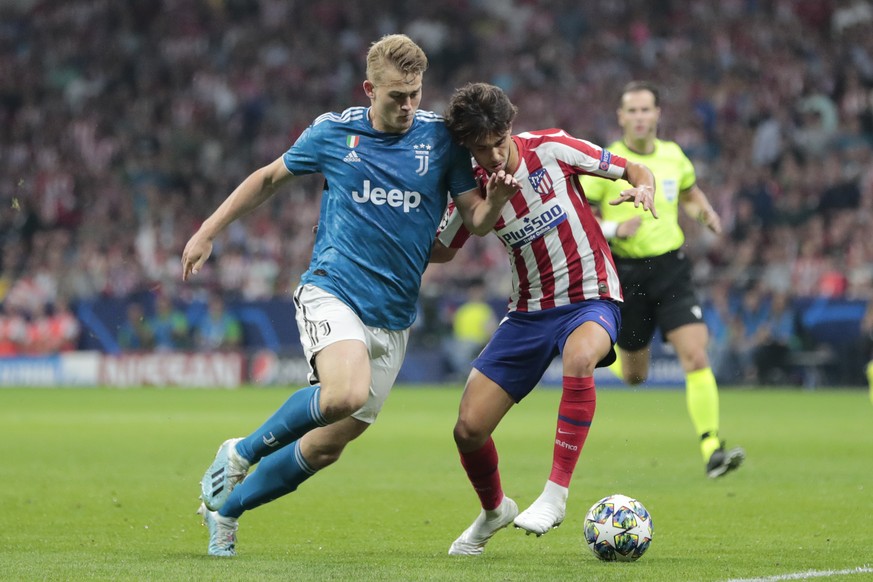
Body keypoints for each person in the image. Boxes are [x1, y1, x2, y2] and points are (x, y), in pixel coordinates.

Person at [181, 35, 518, 557]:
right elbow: (269, 178)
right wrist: (208, 229)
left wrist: (494, 202)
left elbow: (474, 220)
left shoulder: (442, 141)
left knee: (323, 448)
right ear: (369, 89)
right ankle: (239, 451)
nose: (408, 106)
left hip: (394, 318)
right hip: (332, 290)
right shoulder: (333, 133)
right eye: (396, 96)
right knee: (343, 392)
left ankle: (226, 511)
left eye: (415, 93)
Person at [431, 82, 657, 555]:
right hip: (529, 313)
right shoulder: (471, 188)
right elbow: (444, 250)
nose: (493, 154)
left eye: (498, 141)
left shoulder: (551, 148)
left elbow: (631, 167)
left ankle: (555, 494)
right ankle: (495, 511)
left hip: (591, 296)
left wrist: (644, 186)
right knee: (468, 429)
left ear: (509, 127)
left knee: (580, 357)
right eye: (480, 147)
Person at [580, 80, 745, 478]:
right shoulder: (607, 163)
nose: (639, 117)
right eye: (631, 111)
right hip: (626, 273)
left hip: (671, 268)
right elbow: (579, 215)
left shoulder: (673, 157)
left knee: (696, 354)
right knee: (636, 374)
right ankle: (621, 361)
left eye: (645, 110)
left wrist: (704, 212)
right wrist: (615, 230)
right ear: (620, 117)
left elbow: (688, 191)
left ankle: (711, 447)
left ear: (657, 114)